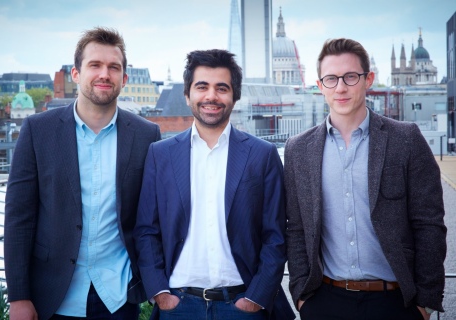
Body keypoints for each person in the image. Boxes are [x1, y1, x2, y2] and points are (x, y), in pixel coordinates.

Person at [4, 27, 160, 320]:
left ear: (124, 79)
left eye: (114, 67)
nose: (105, 74)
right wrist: (19, 297)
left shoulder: (146, 135)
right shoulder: (38, 131)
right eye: (95, 65)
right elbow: (18, 219)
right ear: (76, 74)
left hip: (118, 295)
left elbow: (153, 217)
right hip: (52, 295)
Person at [285, 38, 447, 320]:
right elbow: (297, 228)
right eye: (331, 79)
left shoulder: (406, 139)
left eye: (350, 76)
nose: (341, 87)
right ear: (320, 85)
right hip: (325, 302)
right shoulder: (298, 149)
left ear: (368, 79)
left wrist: (425, 304)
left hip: (397, 304)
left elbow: (429, 224)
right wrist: (302, 297)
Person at [134, 49, 295, 320]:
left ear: (235, 96)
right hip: (178, 306)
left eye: (222, 88)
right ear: (187, 95)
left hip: (243, 306)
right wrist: (160, 293)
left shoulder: (262, 155)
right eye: (202, 87)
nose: (211, 96)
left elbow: (276, 235)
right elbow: (146, 230)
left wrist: (256, 298)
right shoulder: (160, 155)